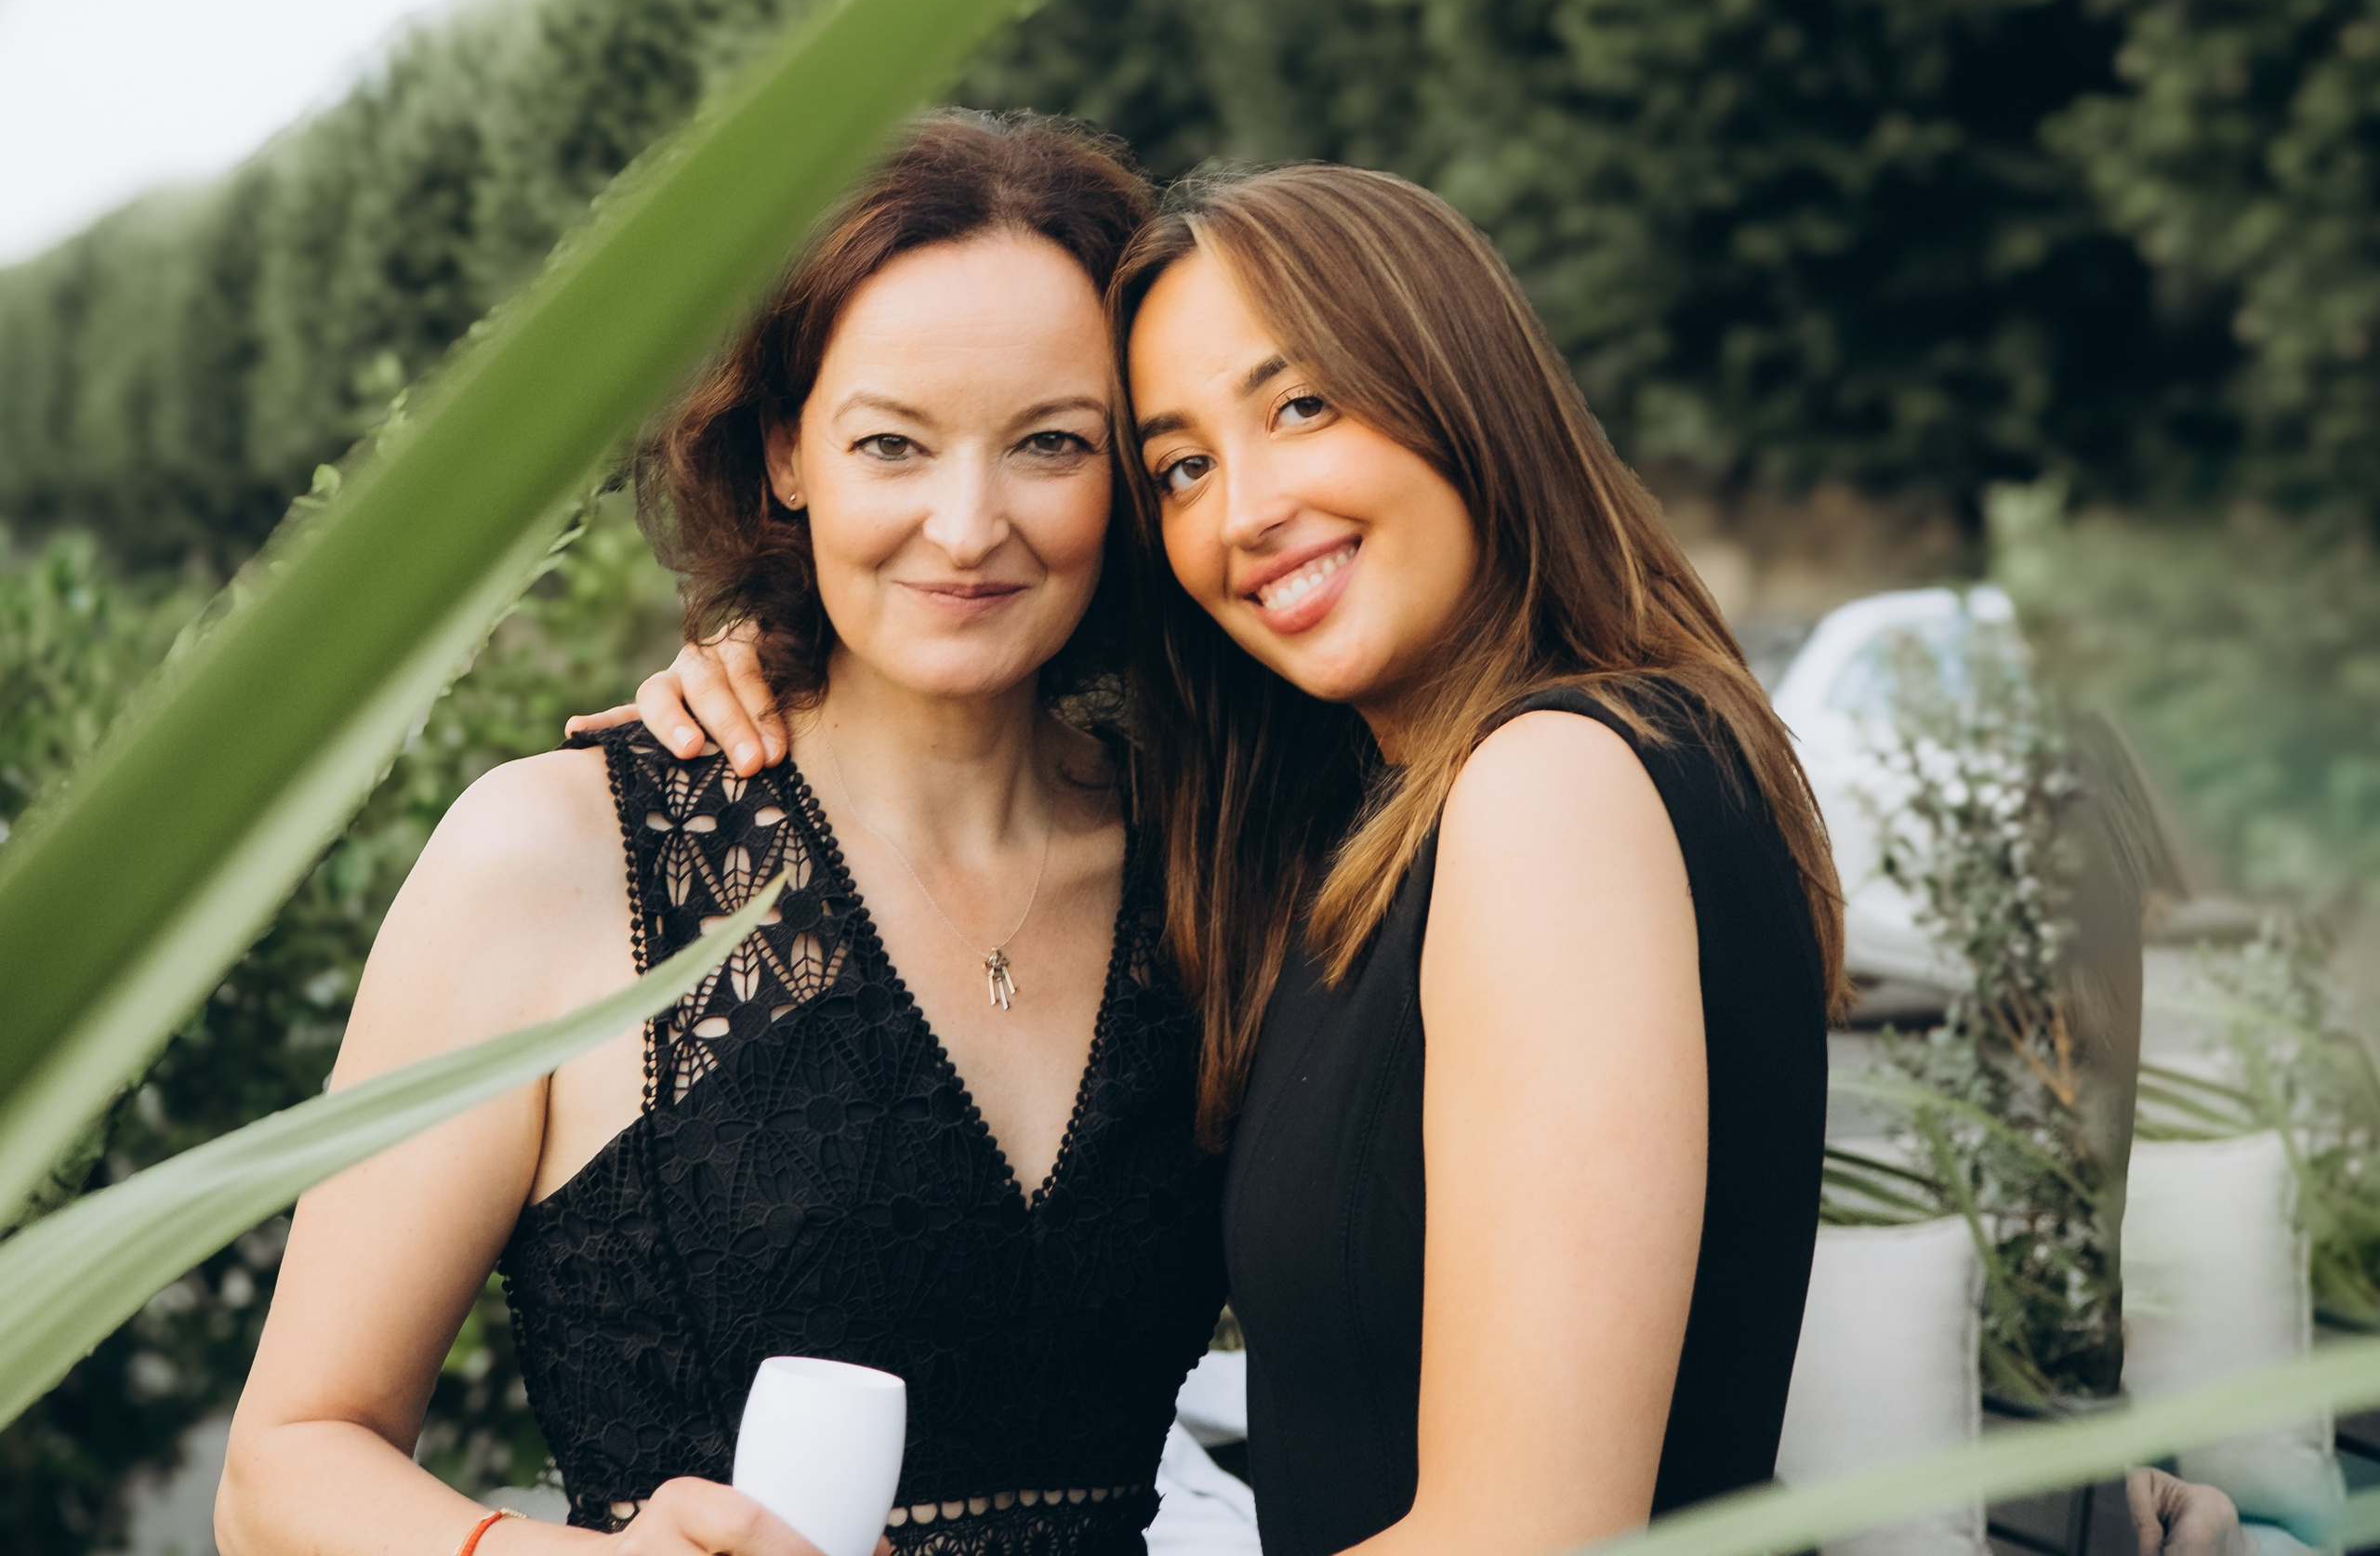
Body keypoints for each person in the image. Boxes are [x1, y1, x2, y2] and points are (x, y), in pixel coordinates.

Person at [626, 159, 1843, 1556]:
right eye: (1182, 466)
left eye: (1302, 405)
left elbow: (1532, 1534)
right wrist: (787, 656)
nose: (1245, 511)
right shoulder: (1427, 805)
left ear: (1459, 386)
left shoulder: (1548, 787)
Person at [218, 112, 1224, 1556]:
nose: (966, 523)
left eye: (1051, 445)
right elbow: (278, 1475)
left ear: (1128, 474)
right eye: (892, 443)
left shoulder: (1216, 860)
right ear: (785, 454)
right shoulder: (556, 858)